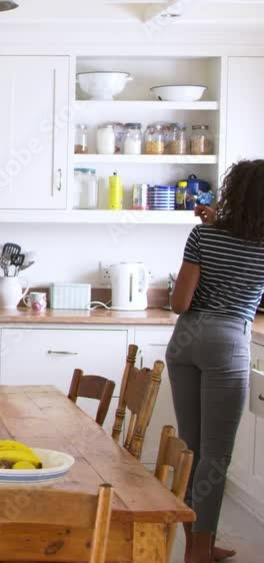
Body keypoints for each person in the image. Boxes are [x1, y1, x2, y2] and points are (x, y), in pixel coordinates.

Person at [167, 159, 264, 563]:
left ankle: (194, 544)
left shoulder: (204, 235)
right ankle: (201, 549)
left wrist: (212, 227)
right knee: (216, 455)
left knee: (191, 449)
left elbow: (179, 302)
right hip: (228, 343)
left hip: (185, 341)